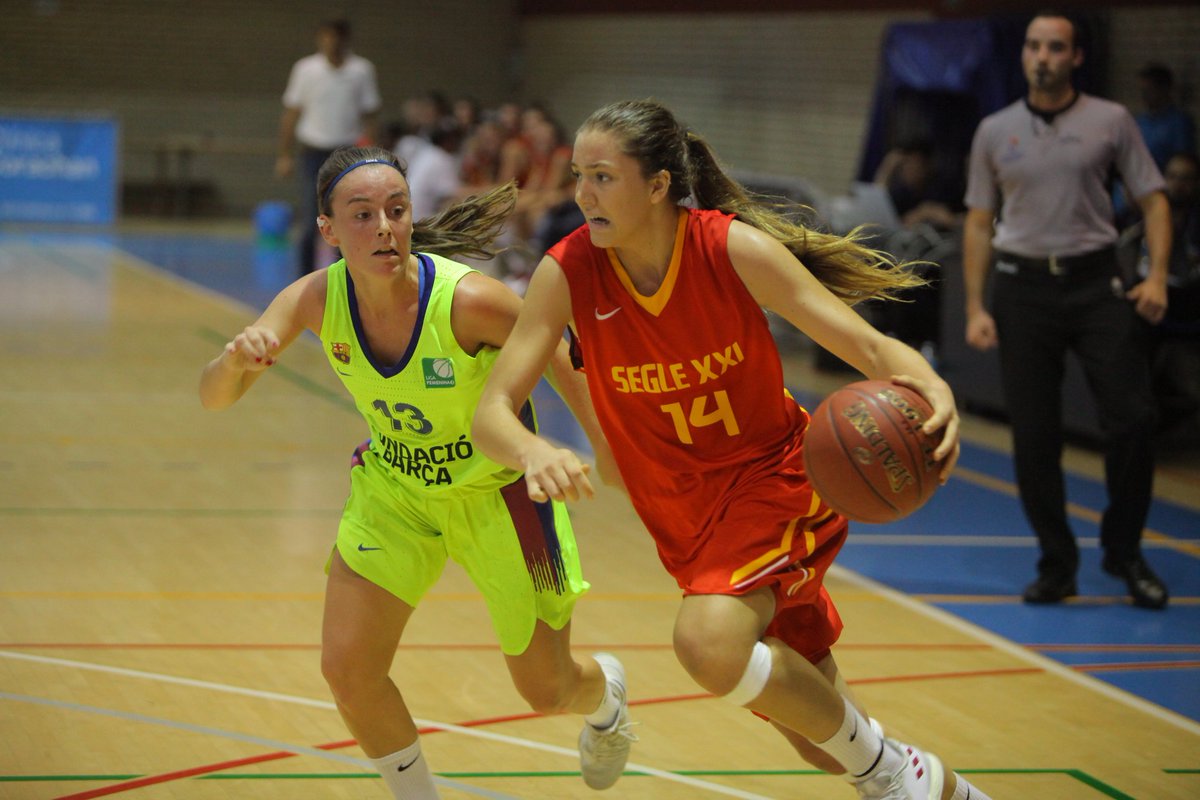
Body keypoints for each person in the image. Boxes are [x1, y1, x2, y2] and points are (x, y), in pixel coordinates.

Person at [473, 99, 991, 800]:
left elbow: (864, 344)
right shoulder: (566, 274)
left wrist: (932, 385)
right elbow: (492, 412)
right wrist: (532, 449)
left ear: (657, 185)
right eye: (578, 176)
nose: (581, 194)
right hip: (683, 518)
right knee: (823, 742)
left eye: (602, 177)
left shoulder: (729, 249)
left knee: (707, 645)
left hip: (774, 481)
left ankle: (894, 774)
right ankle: (938, 787)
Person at [200, 146, 636, 799]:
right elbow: (213, 397)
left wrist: (605, 442)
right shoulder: (317, 299)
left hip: (502, 500)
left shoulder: (469, 303)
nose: (384, 226)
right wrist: (237, 361)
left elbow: (559, 348)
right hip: (397, 493)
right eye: (364, 214)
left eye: (396, 211)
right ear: (328, 229)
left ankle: (607, 700)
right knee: (349, 669)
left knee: (545, 689)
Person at [962, 12, 1171, 609]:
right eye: (1033, 46)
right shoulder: (994, 130)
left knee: (1132, 419)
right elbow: (979, 221)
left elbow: (1154, 201)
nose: (1042, 56)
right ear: (1023, 55)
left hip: (1095, 282)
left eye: (1055, 47)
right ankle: (1057, 563)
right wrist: (976, 306)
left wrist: (1156, 275)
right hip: (1021, 289)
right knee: (1033, 436)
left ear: (1076, 56)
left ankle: (1125, 552)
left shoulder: (1111, 121)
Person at [275, 18, 382, 276]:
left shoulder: (361, 70)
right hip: (313, 151)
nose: (330, 43)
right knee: (312, 218)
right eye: (326, 37)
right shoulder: (306, 69)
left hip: (346, 154)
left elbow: (370, 115)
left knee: (345, 218)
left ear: (345, 40)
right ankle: (304, 279)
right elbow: (291, 113)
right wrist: (284, 155)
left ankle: (343, 276)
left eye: (335, 37)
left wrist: (373, 157)